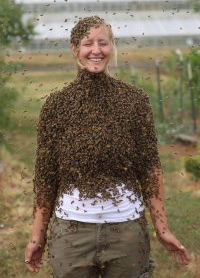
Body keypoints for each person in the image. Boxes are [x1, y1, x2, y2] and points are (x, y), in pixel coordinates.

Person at [25, 15, 190, 278]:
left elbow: (149, 168)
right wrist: (37, 236)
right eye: (88, 43)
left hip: (126, 232)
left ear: (112, 47)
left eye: (103, 43)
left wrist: (162, 227)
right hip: (71, 233)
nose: (96, 50)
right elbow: (45, 176)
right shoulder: (56, 106)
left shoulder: (135, 101)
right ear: (74, 49)